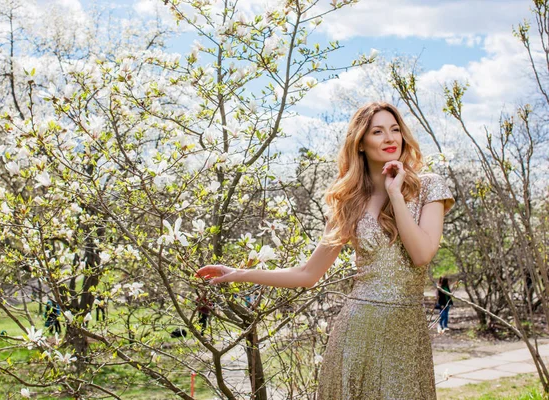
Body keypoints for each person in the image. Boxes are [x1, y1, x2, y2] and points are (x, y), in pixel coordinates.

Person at [195, 102, 455, 399]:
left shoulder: (428, 187)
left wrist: (395, 193)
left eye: (395, 129)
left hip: (407, 333)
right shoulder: (349, 203)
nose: (390, 138)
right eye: (378, 131)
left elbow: (422, 254)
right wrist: (238, 273)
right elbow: (308, 274)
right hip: (357, 331)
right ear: (360, 143)